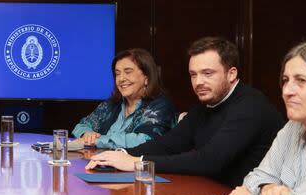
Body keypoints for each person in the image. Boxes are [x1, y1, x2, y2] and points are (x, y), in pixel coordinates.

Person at [87, 36, 284, 186]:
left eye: (207, 73)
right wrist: (120, 154)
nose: (198, 82)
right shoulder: (204, 107)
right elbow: (168, 144)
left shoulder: (250, 106)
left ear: (231, 74)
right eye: (193, 75)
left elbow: (209, 160)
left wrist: (137, 162)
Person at [226, 39, 306, 195]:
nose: (287, 91)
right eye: (286, 80)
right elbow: (254, 177)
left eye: (301, 81)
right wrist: (268, 188)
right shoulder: (293, 127)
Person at [72, 48, 175, 149]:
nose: (121, 79)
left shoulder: (160, 105)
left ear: (146, 77)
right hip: (101, 163)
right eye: (117, 74)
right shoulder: (112, 104)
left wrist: (98, 141)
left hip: (136, 165)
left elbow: (144, 139)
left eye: (128, 72)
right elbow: (81, 126)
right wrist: (87, 134)